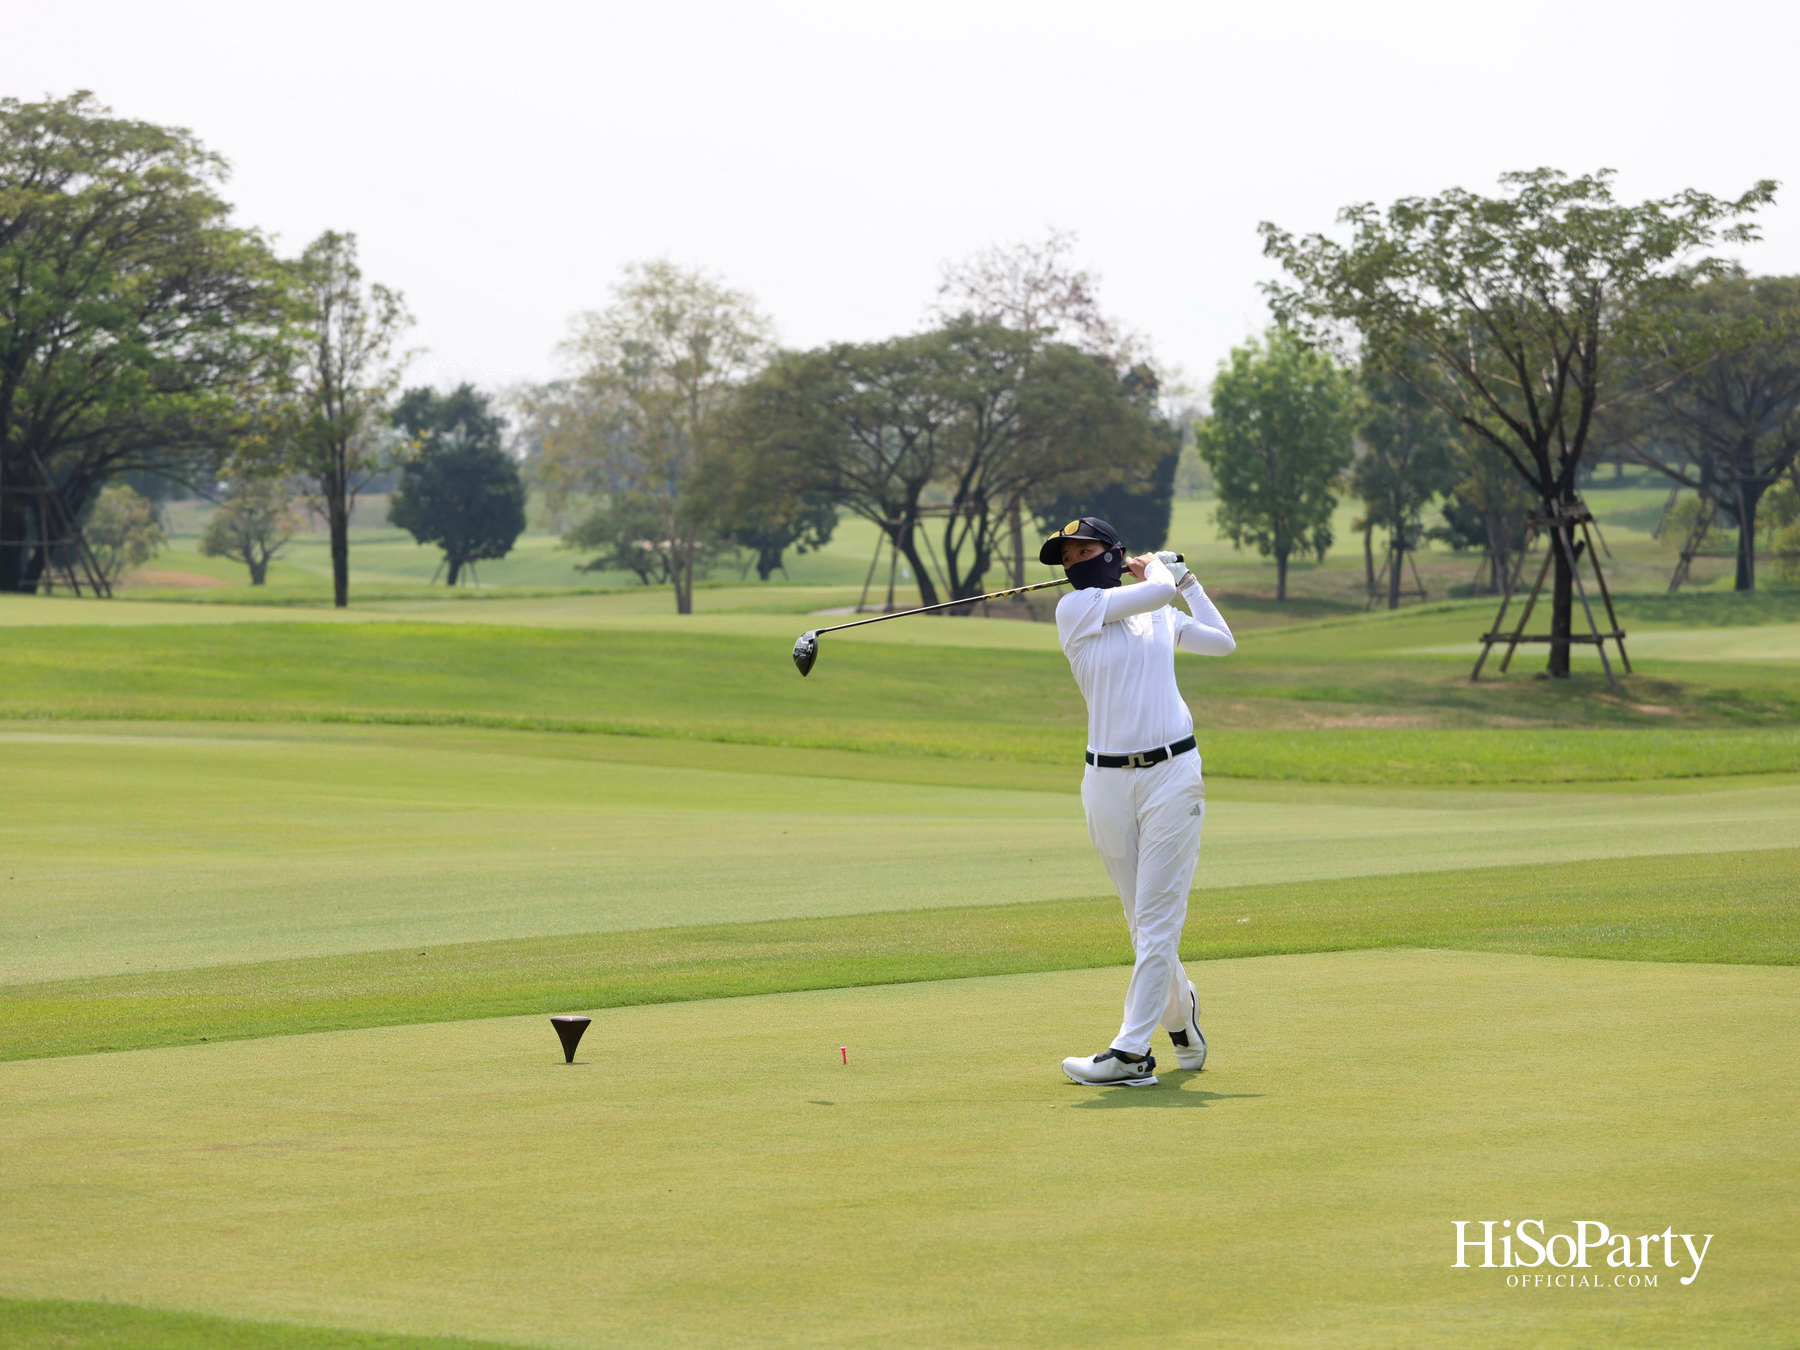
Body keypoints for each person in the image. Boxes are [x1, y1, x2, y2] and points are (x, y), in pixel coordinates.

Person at [1042, 516, 1236, 1087]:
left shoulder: (1155, 613)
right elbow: (1153, 589)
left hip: (1173, 775)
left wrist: (1189, 580)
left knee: (1155, 920)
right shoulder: (1075, 611)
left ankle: (1130, 1055)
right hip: (1104, 782)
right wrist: (1159, 570)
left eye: (1083, 550)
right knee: (1141, 922)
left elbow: (1222, 642)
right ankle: (1182, 1019)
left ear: (1112, 552)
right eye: (1065, 557)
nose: (1074, 562)